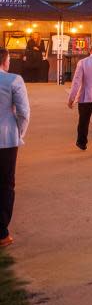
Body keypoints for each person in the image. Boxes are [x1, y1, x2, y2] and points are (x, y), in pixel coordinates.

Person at [0, 48, 30, 248]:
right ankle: (1, 232)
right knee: (5, 184)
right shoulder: (13, 80)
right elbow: (23, 112)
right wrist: (19, 132)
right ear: (5, 60)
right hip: (5, 138)